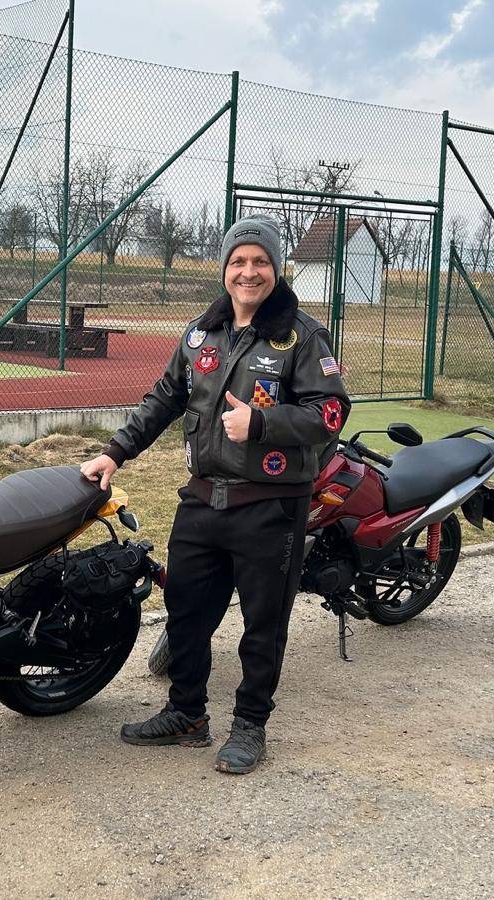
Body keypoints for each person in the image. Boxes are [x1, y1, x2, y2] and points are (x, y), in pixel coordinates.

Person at [80, 216, 350, 774]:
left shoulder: (302, 336)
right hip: (203, 499)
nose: (249, 272)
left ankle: (250, 726)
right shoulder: (201, 334)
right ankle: (186, 714)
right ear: (224, 269)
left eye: (260, 261)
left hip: (270, 505)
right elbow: (164, 398)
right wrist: (115, 452)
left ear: (277, 268)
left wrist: (262, 423)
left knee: (262, 624)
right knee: (185, 611)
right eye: (238, 261)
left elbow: (330, 412)